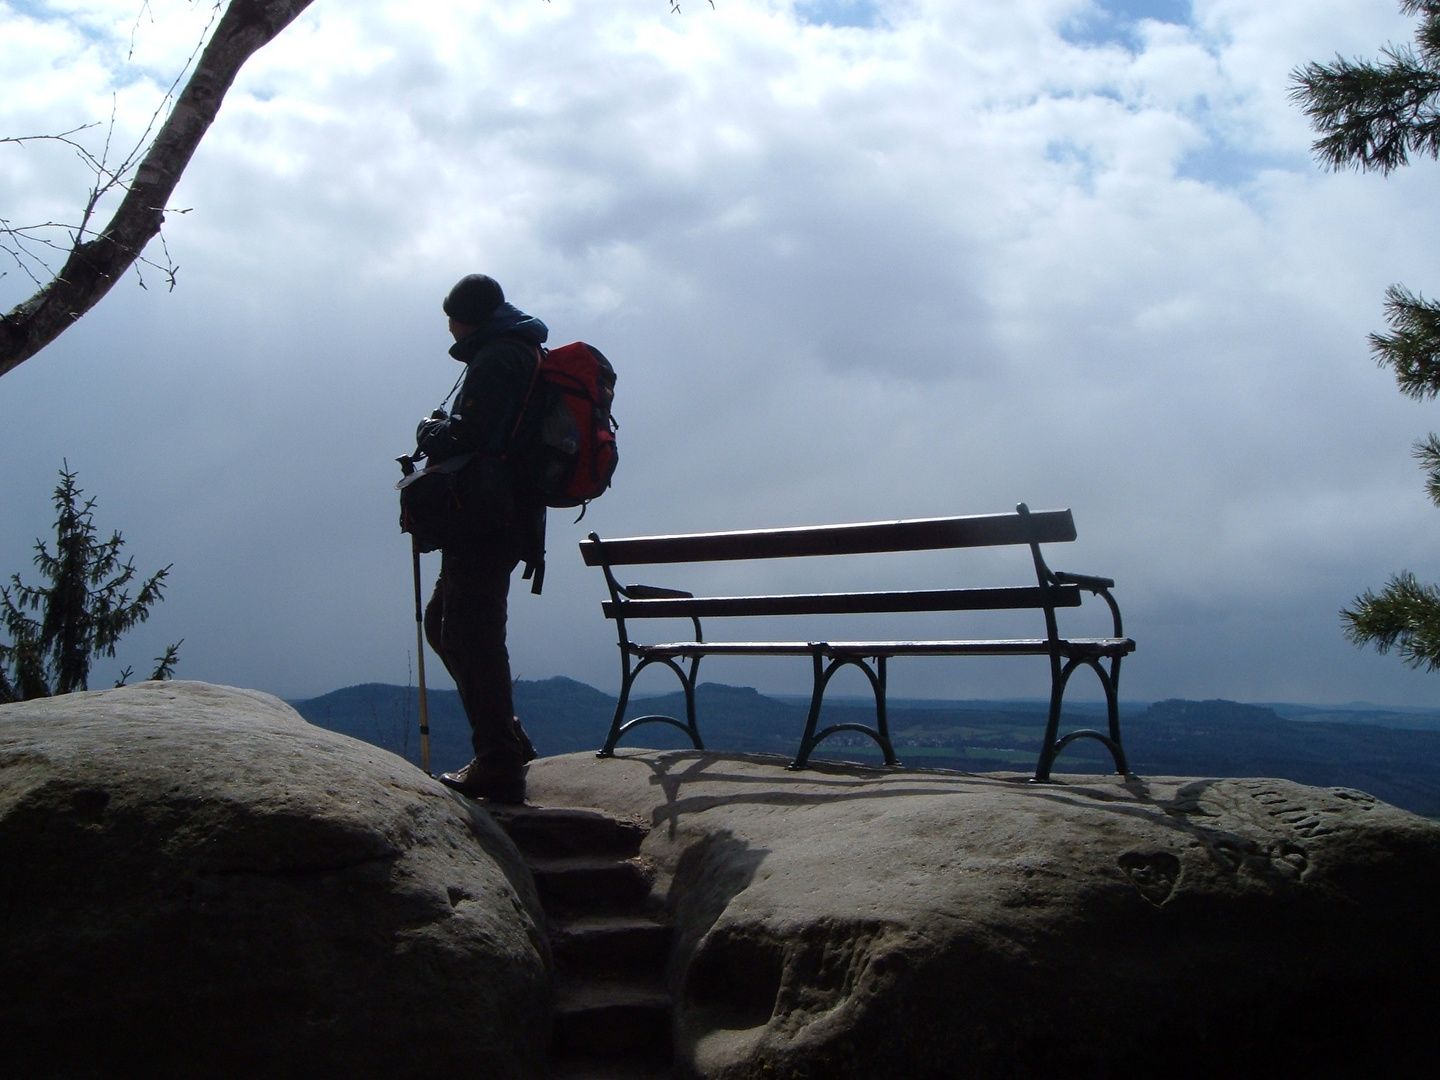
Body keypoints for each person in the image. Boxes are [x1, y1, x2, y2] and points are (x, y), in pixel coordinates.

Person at [414, 273, 548, 803]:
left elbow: (473, 436)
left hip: (487, 515)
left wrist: (430, 432)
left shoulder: (499, 357)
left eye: (450, 317)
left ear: (464, 316)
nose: (448, 328)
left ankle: (498, 761)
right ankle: (507, 739)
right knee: (444, 623)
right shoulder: (523, 349)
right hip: (506, 513)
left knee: (472, 632)